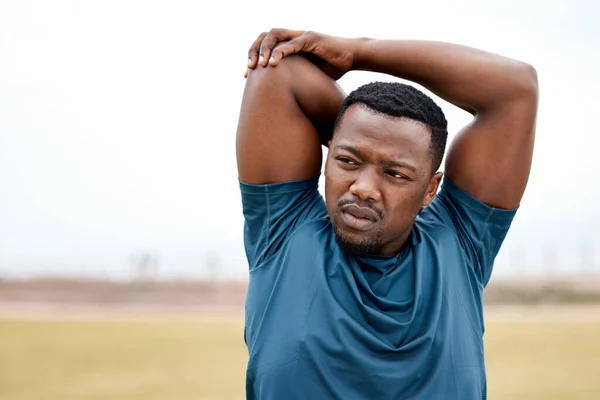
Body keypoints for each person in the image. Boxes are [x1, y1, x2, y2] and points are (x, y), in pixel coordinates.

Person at [236, 29, 538, 400]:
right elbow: (278, 71)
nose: (363, 187)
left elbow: (515, 88)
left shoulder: (460, 239)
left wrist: (359, 52)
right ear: (327, 158)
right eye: (347, 161)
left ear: (430, 188)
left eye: (395, 174)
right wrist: (365, 123)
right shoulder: (283, 229)